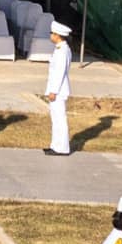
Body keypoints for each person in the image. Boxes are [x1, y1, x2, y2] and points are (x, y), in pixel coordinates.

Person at [43, 20, 73, 156]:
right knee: (55, 119)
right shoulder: (60, 49)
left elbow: (60, 72)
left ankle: (62, 147)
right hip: (56, 89)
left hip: (59, 90)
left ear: (57, 35)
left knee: (60, 119)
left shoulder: (62, 51)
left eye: (52, 33)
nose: (51, 36)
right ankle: (55, 145)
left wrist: (53, 91)